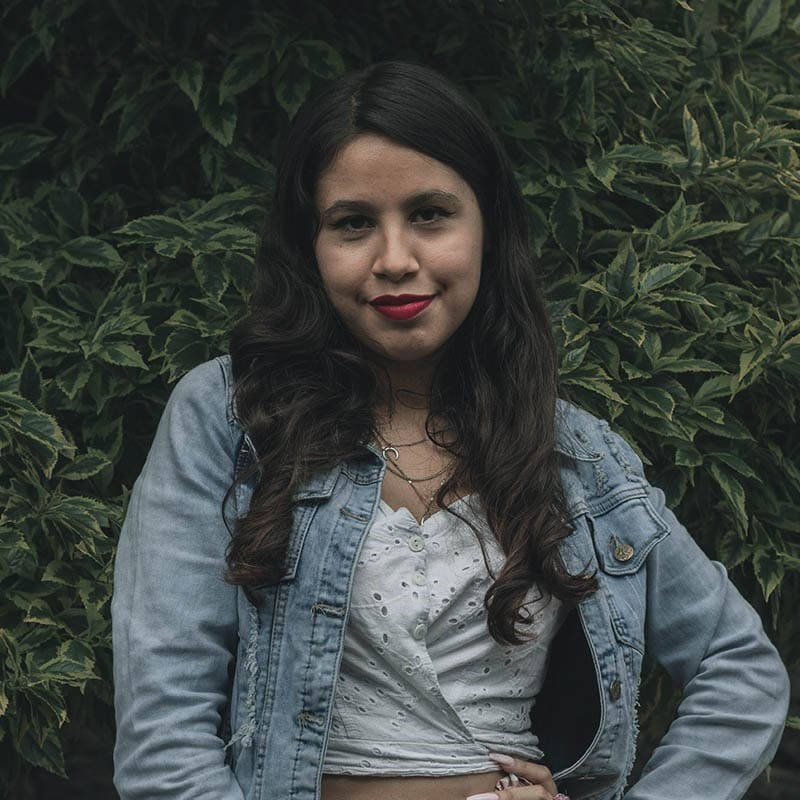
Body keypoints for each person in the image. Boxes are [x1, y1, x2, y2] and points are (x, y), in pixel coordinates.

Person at [110, 61, 790, 800]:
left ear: (487, 227)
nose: (395, 260)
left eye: (430, 214)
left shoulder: (576, 454)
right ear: (310, 245)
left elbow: (740, 669)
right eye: (353, 223)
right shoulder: (232, 419)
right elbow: (163, 740)